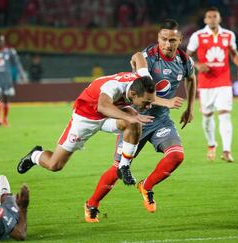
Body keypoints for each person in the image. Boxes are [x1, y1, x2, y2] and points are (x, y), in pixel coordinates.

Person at [84, 19, 196, 222]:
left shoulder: (185, 61)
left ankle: (146, 186)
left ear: (180, 40)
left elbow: (191, 79)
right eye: (164, 39)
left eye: (172, 40)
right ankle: (92, 203)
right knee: (118, 169)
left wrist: (190, 108)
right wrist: (167, 101)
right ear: (158, 38)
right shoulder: (148, 57)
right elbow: (139, 72)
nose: (167, 44)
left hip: (161, 121)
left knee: (177, 156)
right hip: (135, 121)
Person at [17, 72, 157, 185]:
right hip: (85, 118)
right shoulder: (113, 87)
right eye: (146, 102)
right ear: (132, 94)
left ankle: (124, 166)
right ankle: (35, 155)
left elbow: (138, 56)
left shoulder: (143, 81)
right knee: (55, 165)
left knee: (135, 121)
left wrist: (131, 118)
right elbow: (102, 106)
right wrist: (128, 117)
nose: (148, 106)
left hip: (108, 117)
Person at [186, 7, 238, 162]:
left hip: (224, 82)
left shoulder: (228, 35)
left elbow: (233, 52)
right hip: (205, 83)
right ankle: (212, 144)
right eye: (209, 16)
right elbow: (187, 57)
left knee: (225, 115)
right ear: (205, 20)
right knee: (207, 118)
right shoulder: (197, 36)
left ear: (219, 19)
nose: (212, 19)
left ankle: (227, 151)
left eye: (215, 16)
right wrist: (198, 65)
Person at [0, 35, 26, 127]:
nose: (0, 43)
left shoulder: (10, 52)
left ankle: (5, 119)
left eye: (2, 41)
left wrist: (22, 74)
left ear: (4, 42)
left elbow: (17, 63)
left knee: (6, 98)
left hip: (7, 79)